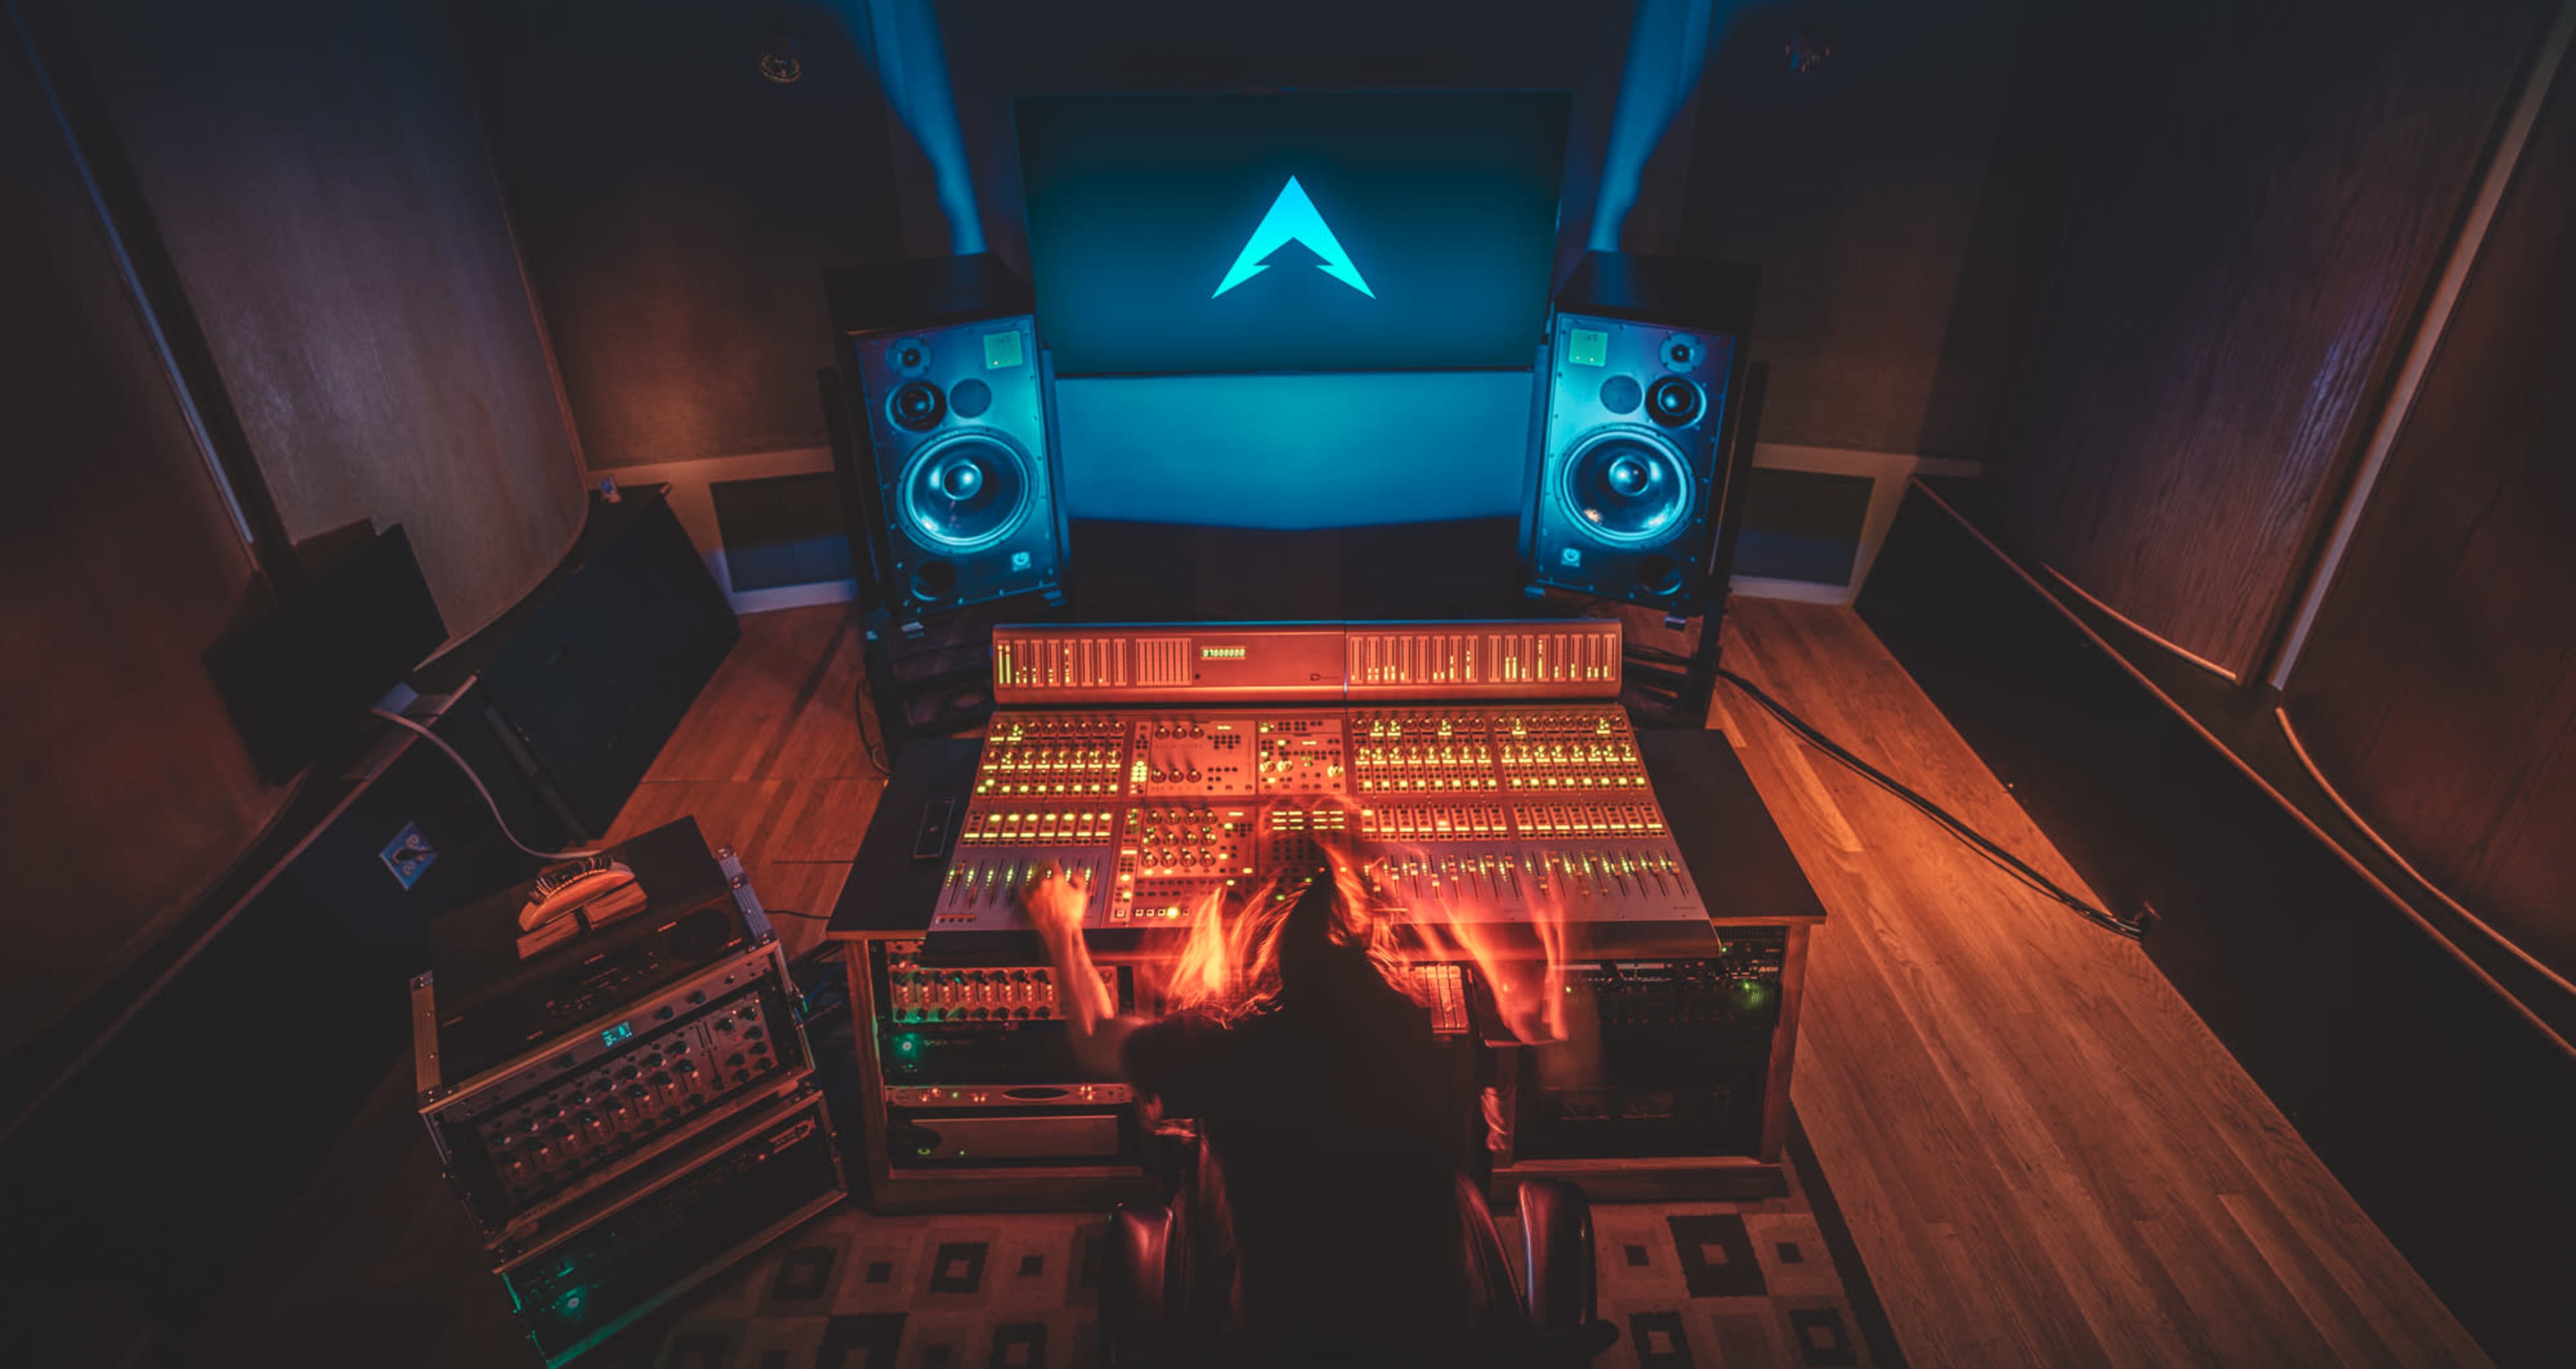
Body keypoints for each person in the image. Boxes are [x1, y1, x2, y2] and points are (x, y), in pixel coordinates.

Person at [1024, 844, 1491, 1368]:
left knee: (1203, 1167)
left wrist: (1060, 928)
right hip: (1443, 1340)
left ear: (1262, 947)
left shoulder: (1223, 1049)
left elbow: (1092, 1038)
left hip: (1283, 1345)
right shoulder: (1409, 1015)